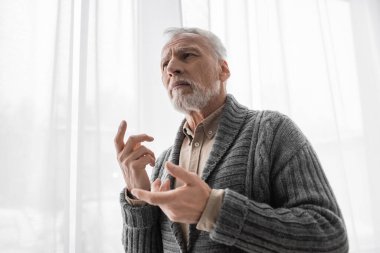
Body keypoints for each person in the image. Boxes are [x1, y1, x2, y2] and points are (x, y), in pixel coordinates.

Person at [114, 27, 349, 253]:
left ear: (223, 70)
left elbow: (329, 237)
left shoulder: (273, 131)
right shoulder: (162, 164)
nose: (171, 68)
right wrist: (138, 197)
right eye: (164, 64)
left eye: (187, 55)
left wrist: (214, 209)